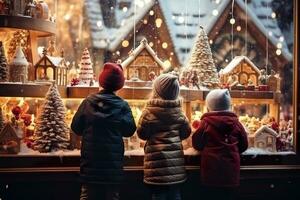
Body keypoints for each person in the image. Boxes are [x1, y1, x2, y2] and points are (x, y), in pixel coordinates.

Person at [71, 62, 136, 200]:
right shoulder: (122, 105)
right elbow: (129, 130)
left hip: (90, 167)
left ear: (101, 81)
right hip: (112, 169)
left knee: (87, 196)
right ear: (119, 85)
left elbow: (76, 127)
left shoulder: (88, 102)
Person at [137, 73, 191, 200]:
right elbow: (186, 132)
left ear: (155, 91)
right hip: (175, 169)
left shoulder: (148, 112)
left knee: (158, 195)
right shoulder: (180, 113)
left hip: (156, 169)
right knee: (175, 195)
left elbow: (142, 134)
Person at [192, 89, 248, 200]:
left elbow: (197, 143)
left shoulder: (205, 123)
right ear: (229, 106)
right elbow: (244, 145)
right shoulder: (237, 123)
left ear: (208, 107)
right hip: (231, 173)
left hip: (210, 173)